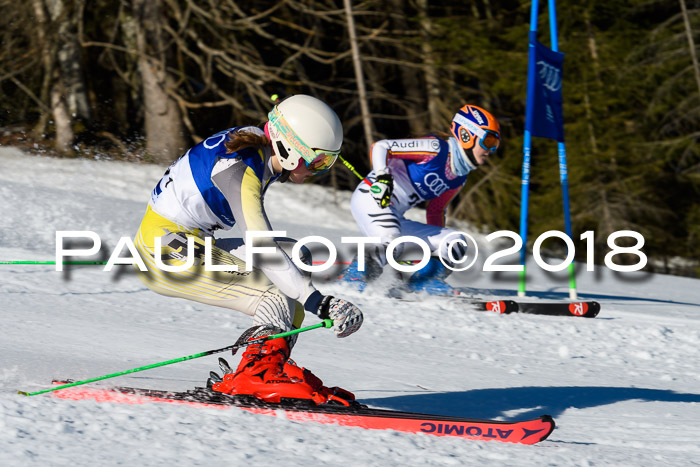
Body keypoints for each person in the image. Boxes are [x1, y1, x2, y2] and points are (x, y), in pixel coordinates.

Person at [133, 95, 363, 406]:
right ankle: (256, 374)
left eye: (327, 163)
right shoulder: (242, 168)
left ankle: (270, 363)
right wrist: (320, 303)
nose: (316, 171)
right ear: (290, 149)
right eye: (318, 161)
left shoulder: (254, 145)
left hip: (181, 241)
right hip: (164, 251)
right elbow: (262, 245)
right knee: (276, 289)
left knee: (296, 258)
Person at [339, 104, 501, 295]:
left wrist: (434, 247)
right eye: (488, 140)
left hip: (395, 215)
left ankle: (424, 282)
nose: (491, 149)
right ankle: (353, 278)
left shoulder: (459, 178)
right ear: (466, 135)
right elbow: (381, 147)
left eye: (495, 144)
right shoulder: (435, 149)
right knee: (391, 241)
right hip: (371, 198)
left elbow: (435, 211)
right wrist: (382, 177)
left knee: (455, 241)